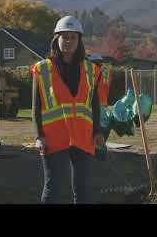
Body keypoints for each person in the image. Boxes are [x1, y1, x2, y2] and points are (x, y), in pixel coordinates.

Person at [31, 16, 105, 204]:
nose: (68, 41)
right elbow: (36, 106)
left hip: (84, 136)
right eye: (64, 37)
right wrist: (38, 135)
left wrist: (97, 131)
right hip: (54, 138)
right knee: (54, 187)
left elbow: (94, 104)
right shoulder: (42, 69)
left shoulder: (91, 69)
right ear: (56, 39)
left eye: (73, 37)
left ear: (79, 40)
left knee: (84, 189)